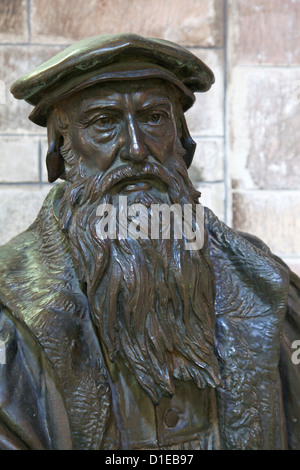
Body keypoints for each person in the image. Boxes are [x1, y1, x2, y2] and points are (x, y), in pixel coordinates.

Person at [0, 33, 299, 450]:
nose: (137, 149)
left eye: (154, 118)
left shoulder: (269, 289)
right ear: (61, 148)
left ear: (183, 141)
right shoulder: (11, 314)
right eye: (104, 123)